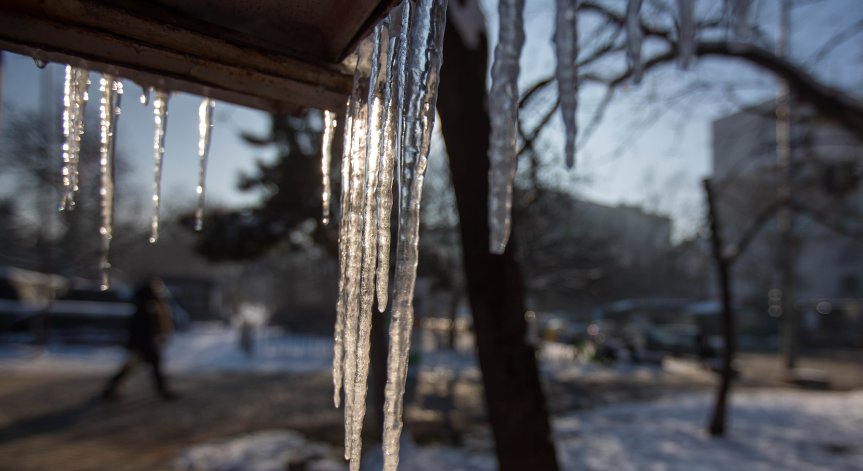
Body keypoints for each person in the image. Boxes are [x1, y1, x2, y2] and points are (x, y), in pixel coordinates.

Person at [101, 277, 178, 401]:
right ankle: (163, 391)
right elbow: (145, 327)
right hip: (144, 344)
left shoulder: (144, 305)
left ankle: (110, 390)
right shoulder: (148, 307)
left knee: (132, 367)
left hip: (141, 344)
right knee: (152, 366)